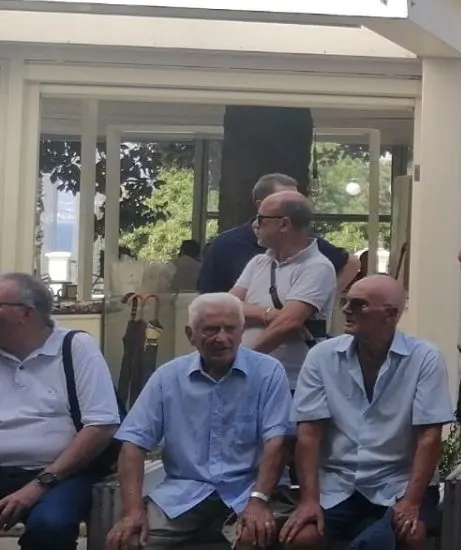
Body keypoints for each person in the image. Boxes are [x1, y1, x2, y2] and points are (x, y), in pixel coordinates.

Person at [106, 293, 295, 550]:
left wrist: (259, 500)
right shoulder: (168, 377)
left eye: (230, 329)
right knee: (126, 542)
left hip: (249, 489)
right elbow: (133, 444)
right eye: (210, 329)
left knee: (252, 539)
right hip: (184, 492)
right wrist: (132, 510)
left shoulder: (268, 372)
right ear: (190, 334)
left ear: (242, 332)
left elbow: (278, 442)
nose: (222, 338)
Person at [283, 276, 453, 550]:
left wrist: (411, 502)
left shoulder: (425, 358)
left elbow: (429, 437)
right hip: (336, 484)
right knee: (301, 538)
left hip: (398, 482)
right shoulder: (321, 356)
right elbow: (308, 435)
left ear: (390, 314)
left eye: (358, 304)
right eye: (345, 301)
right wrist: (309, 501)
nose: (346, 310)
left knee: (411, 534)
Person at [0, 273, 119, 550]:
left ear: (26, 313)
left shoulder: (75, 347)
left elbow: (101, 426)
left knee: (50, 526)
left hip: (62, 473)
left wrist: (40, 484)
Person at [230, 190, 337, 381]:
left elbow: (287, 324)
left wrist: (241, 362)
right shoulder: (259, 262)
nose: (255, 225)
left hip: (290, 380)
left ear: (284, 224)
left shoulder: (317, 267)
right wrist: (268, 314)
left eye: (261, 219)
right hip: (253, 375)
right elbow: (227, 307)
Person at [199, 173, 351, 295]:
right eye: (286, 201)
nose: (295, 207)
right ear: (261, 205)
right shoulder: (234, 248)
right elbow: (216, 298)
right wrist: (264, 313)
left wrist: (325, 295)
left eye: (297, 201)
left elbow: (291, 318)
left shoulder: (309, 248)